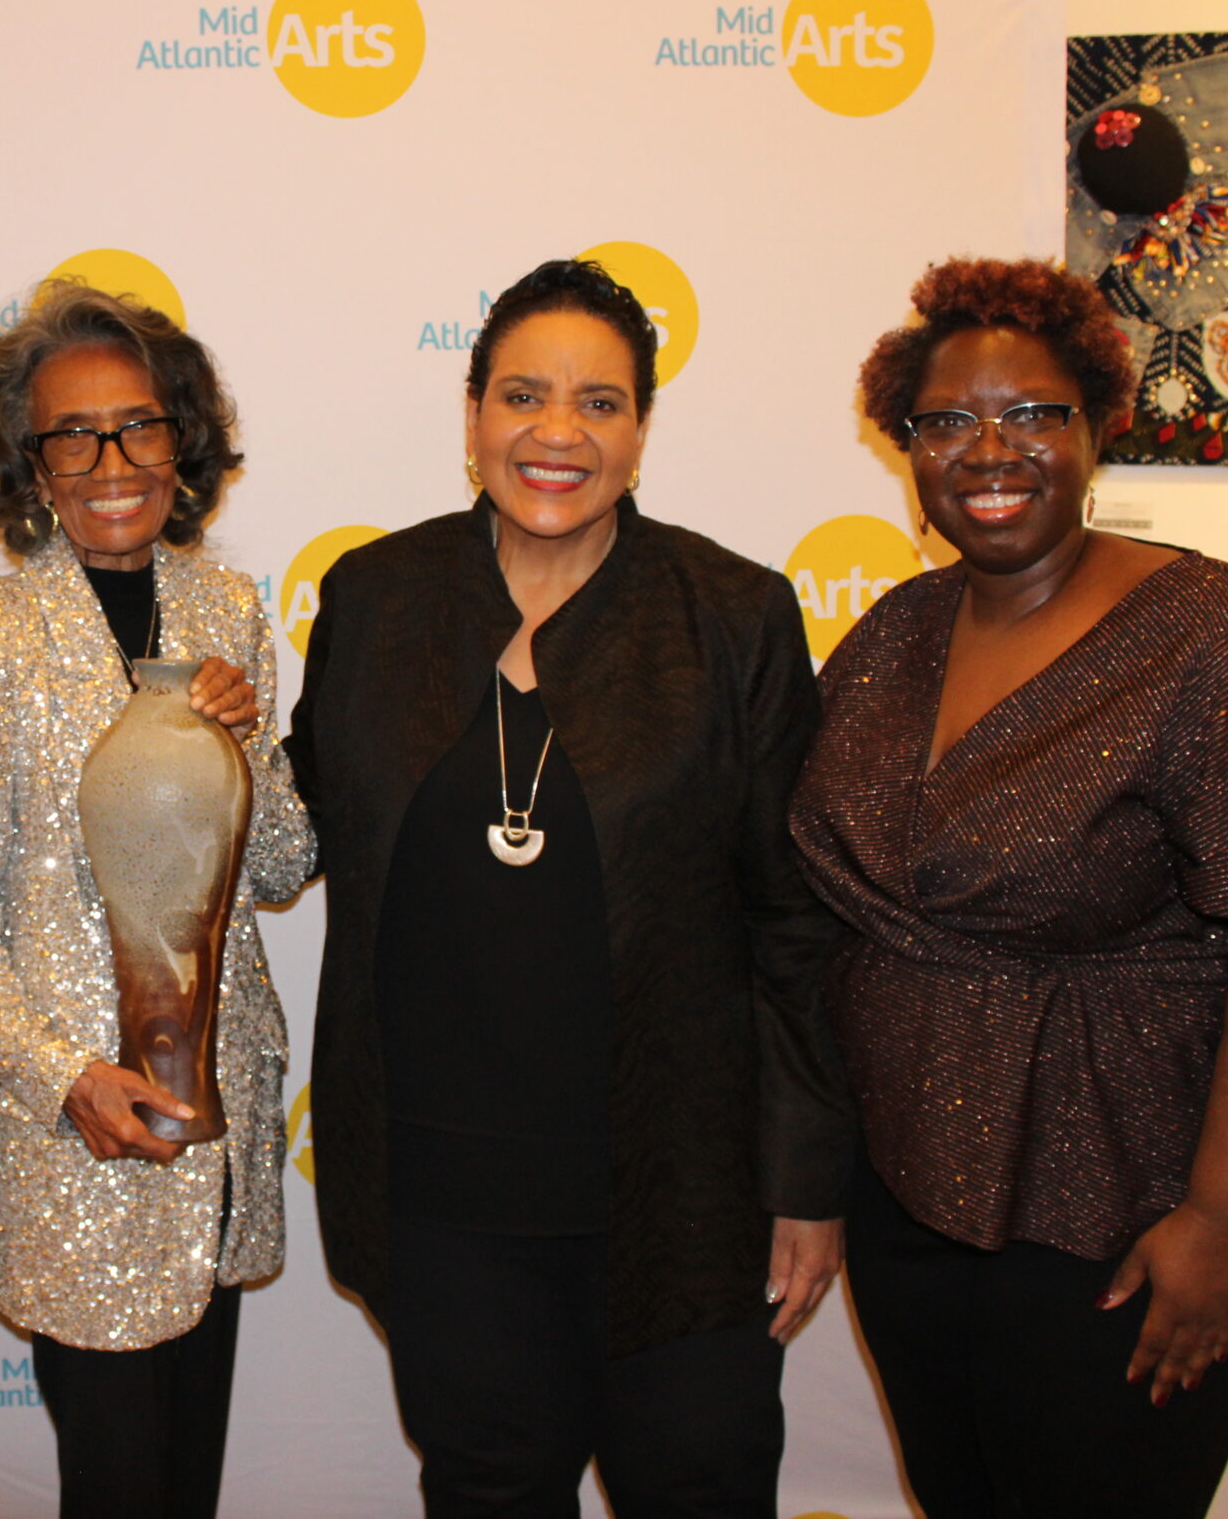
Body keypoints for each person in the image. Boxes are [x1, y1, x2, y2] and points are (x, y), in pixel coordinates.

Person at [789, 258, 1228, 1519]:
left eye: (1034, 413)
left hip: (1135, 1195)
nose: (990, 450)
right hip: (917, 1181)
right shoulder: (895, 635)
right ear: (906, 449)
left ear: (1098, 427)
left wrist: (1222, 1221)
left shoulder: (1214, 632)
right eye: (946, 422)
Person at [286, 258, 853, 1518]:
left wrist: (805, 1179)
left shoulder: (732, 614)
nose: (555, 434)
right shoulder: (376, 600)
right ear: (473, 412)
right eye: (522, 396)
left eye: (598, 403)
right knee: (486, 1489)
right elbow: (293, 819)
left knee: (697, 1485)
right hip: (447, 1200)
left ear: (641, 432)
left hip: (682, 1190)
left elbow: (795, 919)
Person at [0, 280, 312, 1519]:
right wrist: (57, 1074)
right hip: (84, 1135)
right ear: (29, 466)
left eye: (137, 426)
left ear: (180, 441)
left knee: (184, 1488)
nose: (109, 462)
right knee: (118, 1489)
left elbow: (285, 869)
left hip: (216, 1116)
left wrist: (251, 750)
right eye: (69, 436)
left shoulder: (226, 611)